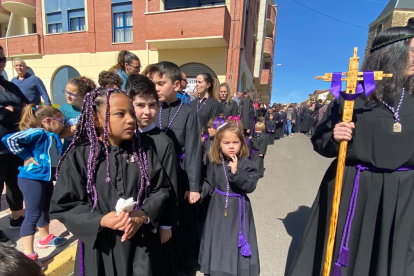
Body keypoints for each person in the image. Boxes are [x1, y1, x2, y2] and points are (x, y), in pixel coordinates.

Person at [287, 26, 414, 276]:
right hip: (356, 188)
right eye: (413, 51)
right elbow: (320, 140)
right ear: (392, 53)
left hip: (404, 195)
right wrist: (335, 137)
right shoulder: (354, 98)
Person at [50, 87, 170, 276]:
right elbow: (64, 205)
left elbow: (161, 189)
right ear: (97, 119)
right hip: (100, 247)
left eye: (131, 113)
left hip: (140, 245)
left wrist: (143, 214)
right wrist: (100, 220)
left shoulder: (143, 153)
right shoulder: (80, 157)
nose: (130, 119)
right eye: (119, 114)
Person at [148, 61, 202, 275]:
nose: (156, 88)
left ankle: (182, 265)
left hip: (179, 175)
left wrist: (194, 186)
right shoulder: (153, 110)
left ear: (177, 85)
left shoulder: (189, 113)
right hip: (154, 174)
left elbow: (194, 151)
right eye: (153, 83)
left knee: (179, 222)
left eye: (161, 83)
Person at [126, 74, 177, 275]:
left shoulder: (163, 142)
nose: (147, 111)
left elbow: (170, 185)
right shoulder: (124, 137)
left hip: (152, 218)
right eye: (140, 105)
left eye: (152, 105)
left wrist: (166, 224)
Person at [2, 104, 68, 261]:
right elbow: (8, 139)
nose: (63, 124)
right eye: (60, 120)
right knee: (32, 215)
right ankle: (28, 254)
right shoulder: (38, 132)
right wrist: (26, 156)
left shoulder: (51, 135)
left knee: (44, 209)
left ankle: (45, 238)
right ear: (47, 120)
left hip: (44, 178)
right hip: (31, 178)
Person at [199, 121, 260, 276]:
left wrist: (236, 172)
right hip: (217, 206)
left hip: (238, 207)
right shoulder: (215, 162)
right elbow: (209, 182)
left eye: (235, 142)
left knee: (234, 240)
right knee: (218, 238)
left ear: (242, 143)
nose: (231, 146)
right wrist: (198, 194)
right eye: (226, 143)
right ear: (219, 144)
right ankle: (215, 267)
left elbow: (250, 186)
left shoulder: (247, 163)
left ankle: (236, 269)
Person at [0, 45, 29, 247]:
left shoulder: (8, 85)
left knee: (15, 182)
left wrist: (14, 110)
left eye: (2, 59)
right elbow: (2, 114)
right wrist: (10, 111)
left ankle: (17, 217)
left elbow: (29, 106)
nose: (1, 63)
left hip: (15, 143)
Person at [59, 76, 96, 152]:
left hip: (90, 151)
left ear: (85, 96)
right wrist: (76, 127)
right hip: (70, 152)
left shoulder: (94, 109)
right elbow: (58, 134)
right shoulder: (63, 111)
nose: (68, 96)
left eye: (72, 94)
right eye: (66, 92)